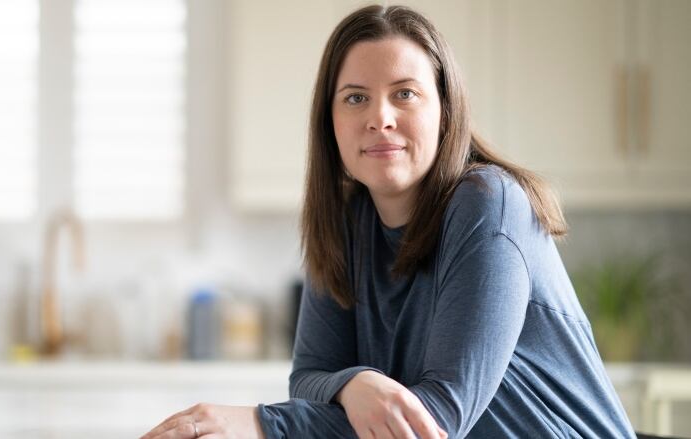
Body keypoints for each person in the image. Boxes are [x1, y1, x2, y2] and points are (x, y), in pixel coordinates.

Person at [142, 4, 636, 438]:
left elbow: (438, 419)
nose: (380, 117)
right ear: (329, 122)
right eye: (356, 97)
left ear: (446, 110)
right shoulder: (343, 221)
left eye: (405, 93)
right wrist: (352, 384)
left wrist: (256, 424)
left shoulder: (488, 202)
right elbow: (309, 378)